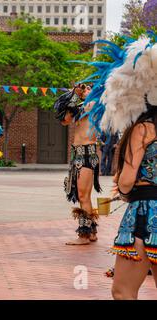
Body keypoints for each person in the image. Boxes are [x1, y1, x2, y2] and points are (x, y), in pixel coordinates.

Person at [81, 35, 157, 299]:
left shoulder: (144, 129)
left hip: (146, 215)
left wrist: (123, 186)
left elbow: (126, 181)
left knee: (123, 291)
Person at [54, 84, 102, 245]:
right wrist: (75, 94)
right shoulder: (84, 105)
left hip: (87, 154)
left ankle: (84, 235)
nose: (84, 90)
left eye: (88, 88)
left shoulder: (94, 104)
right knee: (85, 196)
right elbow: (65, 120)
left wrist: (76, 95)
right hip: (79, 154)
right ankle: (92, 232)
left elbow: (76, 111)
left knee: (83, 195)